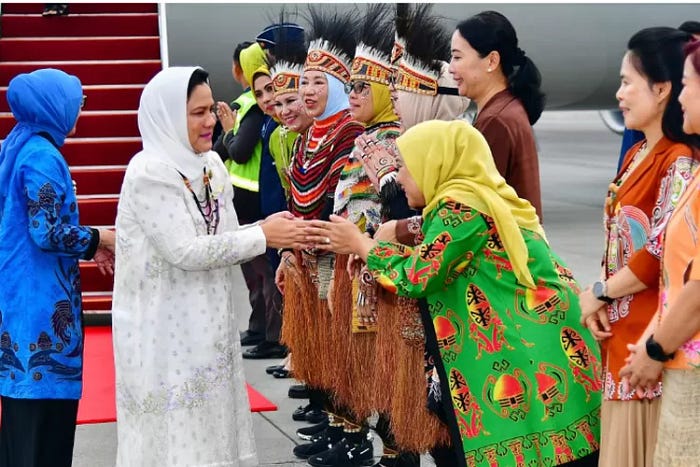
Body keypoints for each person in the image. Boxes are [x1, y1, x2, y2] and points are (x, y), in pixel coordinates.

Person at [305, 119, 601, 467]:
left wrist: (362, 244)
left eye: (405, 167)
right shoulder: (470, 199)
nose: (399, 178)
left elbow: (418, 276)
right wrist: (381, 243)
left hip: (525, 346)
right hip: (535, 339)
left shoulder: (459, 208)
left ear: (435, 164)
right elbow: (434, 258)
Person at [111, 66, 308, 466]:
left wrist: (272, 231)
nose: (210, 121)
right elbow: (184, 250)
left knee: (213, 428)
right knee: (176, 432)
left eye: (210, 110)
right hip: (163, 329)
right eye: (196, 113)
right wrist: (264, 236)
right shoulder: (149, 171)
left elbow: (227, 235)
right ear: (167, 116)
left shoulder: (211, 165)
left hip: (209, 322)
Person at [578, 28, 697, 467]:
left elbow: (659, 251)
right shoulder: (637, 155)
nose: (619, 93)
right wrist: (600, 295)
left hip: (652, 344)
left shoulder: (678, 158)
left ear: (662, 89)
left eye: (628, 82)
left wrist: (600, 292)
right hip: (621, 339)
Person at [0, 68, 115, 467]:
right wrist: (99, 238)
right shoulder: (44, 156)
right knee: (42, 428)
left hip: (21, 296)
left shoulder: (17, 144)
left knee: (21, 424)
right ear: (54, 105)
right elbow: (45, 232)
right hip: (41, 304)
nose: (79, 110)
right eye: (76, 101)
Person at [278, 6, 366, 463]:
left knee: (344, 353)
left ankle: (352, 439)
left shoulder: (349, 133)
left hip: (336, 258)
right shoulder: (307, 137)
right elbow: (300, 200)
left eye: (318, 83)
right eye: (305, 82)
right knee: (326, 352)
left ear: (337, 87)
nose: (308, 91)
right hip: (310, 257)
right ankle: (335, 430)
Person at [620, 38, 700, 466]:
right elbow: (677, 280)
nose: (681, 95)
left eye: (688, 84)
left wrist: (653, 349)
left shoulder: (682, 163)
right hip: (679, 357)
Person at [448, 11, 545, 220]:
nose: (450, 68)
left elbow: (472, 210)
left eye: (457, 57)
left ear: (492, 61)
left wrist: (403, 230)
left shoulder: (496, 121)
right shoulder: (506, 109)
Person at [214, 42, 279, 350]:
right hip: (244, 195)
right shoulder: (246, 102)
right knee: (253, 269)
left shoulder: (252, 107)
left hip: (253, 195)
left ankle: (272, 334)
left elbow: (238, 151)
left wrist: (227, 132)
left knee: (264, 269)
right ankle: (258, 326)